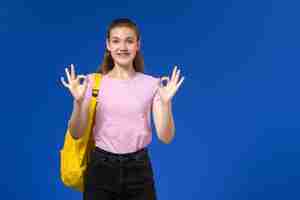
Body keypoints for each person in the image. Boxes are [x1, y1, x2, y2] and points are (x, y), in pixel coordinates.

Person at [60, 18, 184, 200]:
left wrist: (166, 104)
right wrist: (78, 103)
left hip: (139, 170)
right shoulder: (92, 83)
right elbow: (76, 132)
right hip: (100, 169)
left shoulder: (152, 85)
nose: (122, 47)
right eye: (116, 41)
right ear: (108, 45)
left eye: (129, 40)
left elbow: (166, 137)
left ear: (138, 45)